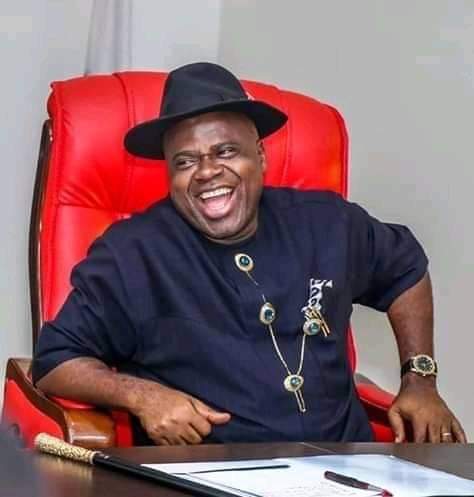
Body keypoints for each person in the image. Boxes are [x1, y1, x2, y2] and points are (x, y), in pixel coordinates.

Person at [32, 62, 466, 445]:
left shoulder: (327, 221)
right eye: (185, 162)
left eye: (225, 151)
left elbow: (405, 268)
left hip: (351, 468)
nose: (207, 172)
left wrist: (420, 379)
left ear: (259, 156)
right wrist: (142, 396)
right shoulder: (132, 253)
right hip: (212, 476)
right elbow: (55, 361)